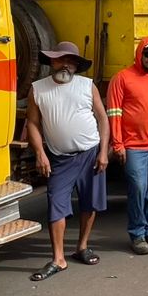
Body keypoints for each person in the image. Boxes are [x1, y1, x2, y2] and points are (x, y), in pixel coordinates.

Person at [26, 41, 109, 281]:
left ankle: (82, 246)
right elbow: (32, 122)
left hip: (90, 153)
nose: (66, 65)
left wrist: (103, 152)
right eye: (61, 60)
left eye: (71, 61)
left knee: (89, 203)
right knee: (57, 204)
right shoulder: (38, 89)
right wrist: (40, 153)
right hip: (59, 158)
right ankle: (58, 259)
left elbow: (103, 119)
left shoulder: (87, 86)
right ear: (52, 61)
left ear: (76, 66)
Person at [106, 36, 148, 255]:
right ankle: (137, 235)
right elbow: (113, 114)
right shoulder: (122, 78)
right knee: (137, 189)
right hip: (134, 147)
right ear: (139, 54)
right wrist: (118, 144)